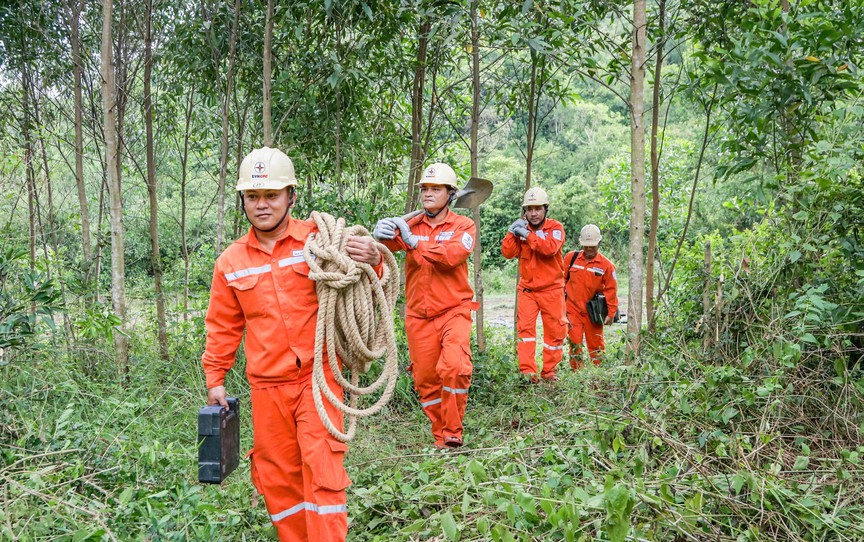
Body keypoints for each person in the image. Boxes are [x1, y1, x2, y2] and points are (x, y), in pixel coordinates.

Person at [201, 146, 383, 542]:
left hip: (317, 381)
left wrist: (373, 257)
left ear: (291, 197)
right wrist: (215, 378)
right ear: (242, 201)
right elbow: (222, 326)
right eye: (253, 197)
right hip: (266, 389)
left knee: (323, 476)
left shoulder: (319, 241)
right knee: (278, 480)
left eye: (271, 195)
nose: (261, 205)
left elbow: (363, 277)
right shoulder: (230, 262)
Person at [372, 163, 476, 449]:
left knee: (454, 367)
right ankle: (440, 435)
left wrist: (415, 241)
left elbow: (453, 255)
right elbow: (379, 252)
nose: (428, 194)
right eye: (425, 189)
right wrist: (379, 235)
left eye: (435, 189)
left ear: (451, 193)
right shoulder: (410, 224)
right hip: (418, 315)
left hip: (454, 310)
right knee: (426, 380)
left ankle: (454, 430)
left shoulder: (462, 226)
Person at [500, 187, 567, 382]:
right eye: (529, 209)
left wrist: (527, 236)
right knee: (525, 333)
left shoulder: (555, 228)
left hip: (552, 289)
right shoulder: (522, 229)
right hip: (528, 290)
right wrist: (511, 233)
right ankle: (528, 373)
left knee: (555, 333)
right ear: (524, 211)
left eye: (538, 209)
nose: (534, 213)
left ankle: (549, 372)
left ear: (546, 209)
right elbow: (508, 253)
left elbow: (549, 249)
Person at [563, 224, 618, 368]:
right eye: (586, 246)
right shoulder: (571, 258)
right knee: (574, 344)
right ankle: (577, 372)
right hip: (572, 310)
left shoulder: (607, 266)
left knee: (596, 345)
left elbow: (611, 290)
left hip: (593, 312)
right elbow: (561, 280)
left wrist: (611, 313)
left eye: (592, 247)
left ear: (599, 243)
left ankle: (598, 372)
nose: (589, 250)